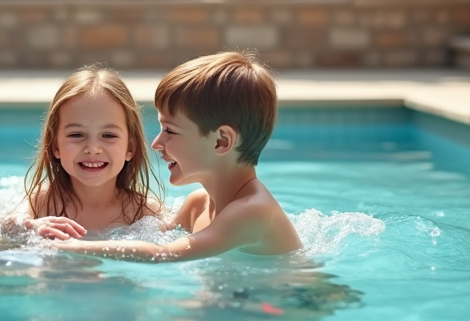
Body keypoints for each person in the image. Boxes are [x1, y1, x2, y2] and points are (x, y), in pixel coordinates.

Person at [54, 51, 301, 260]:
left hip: (290, 303)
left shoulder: (254, 211)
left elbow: (163, 253)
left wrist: (71, 247)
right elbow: (138, 235)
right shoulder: (197, 205)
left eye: (170, 131)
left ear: (221, 141)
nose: (156, 143)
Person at [5, 65, 162, 239]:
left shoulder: (144, 212)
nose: (93, 148)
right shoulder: (42, 202)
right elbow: (12, 223)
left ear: (130, 148)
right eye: (77, 134)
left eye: (108, 135)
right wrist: (28, 227)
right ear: (55, 146)